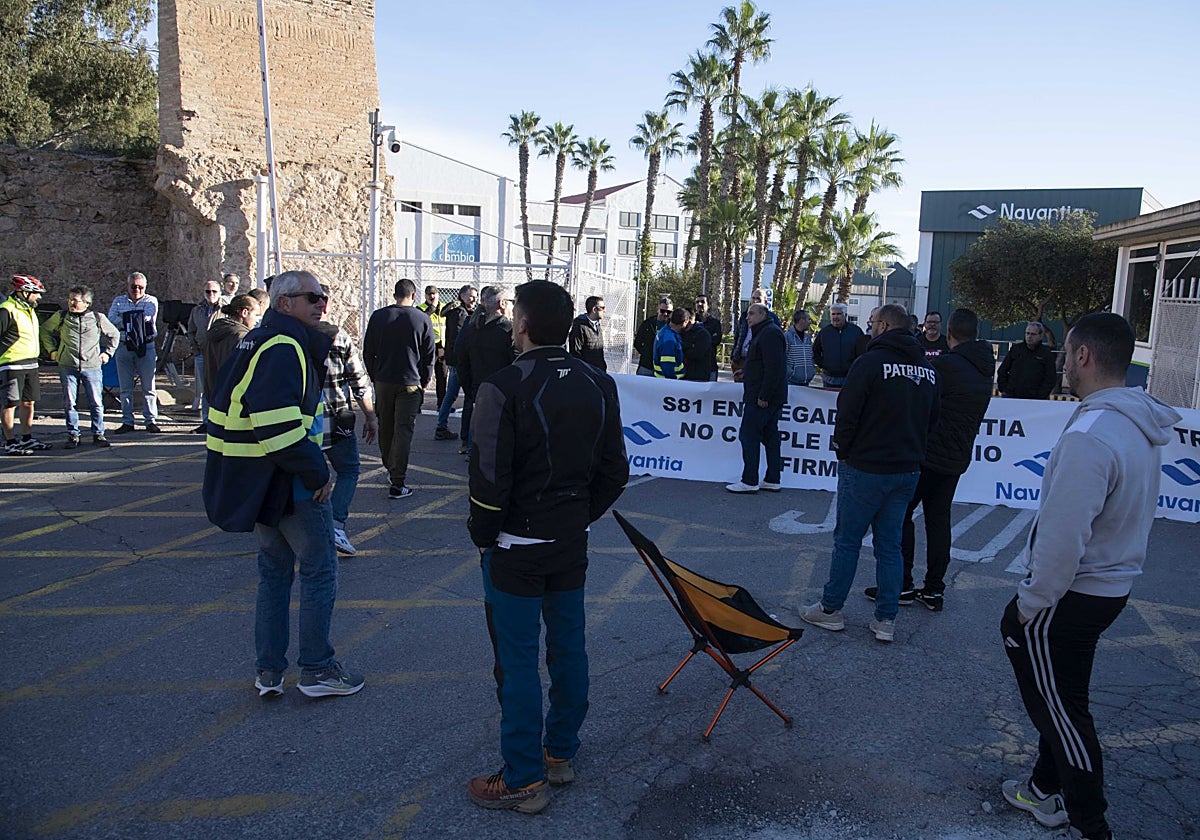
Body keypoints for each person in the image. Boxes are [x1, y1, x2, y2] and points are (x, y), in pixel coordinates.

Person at [1000, 313, 1180, 840]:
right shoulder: (1135, 421)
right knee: (1062, 694)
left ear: (1083, 356)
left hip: (1072, 594)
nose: (1061, 361)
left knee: (1061, 709)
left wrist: (1028, 605)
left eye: (1067, 352)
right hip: (1108, 587)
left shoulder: (1092, 433)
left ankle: (1088, 823)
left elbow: (1063, 538)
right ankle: (1041, 788)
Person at [466, 279, 627, 814]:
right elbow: (615, 473)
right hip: (568, 539)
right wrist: (578, 517)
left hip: (517, 544)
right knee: (568, 649)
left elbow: (489, 481)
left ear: (523, 325)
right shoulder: (598, 382)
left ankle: (522, 779)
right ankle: (559, 754)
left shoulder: (503, 385)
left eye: (515, 317)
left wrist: (485, 539)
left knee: (515, 663)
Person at [203, 269, 364, 699]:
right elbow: (276, 424)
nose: (322, 304)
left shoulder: (258, 339)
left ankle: (269, 672)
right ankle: (316, 670)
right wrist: (318, 473)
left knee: (273, 574)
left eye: (324, 297)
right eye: (312, 297)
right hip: (287, 481)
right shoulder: (283, 346)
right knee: (319, 571)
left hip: (260, 479)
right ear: (284, 303)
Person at [799, 304, 938, 643]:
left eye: (873, 322)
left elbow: (847, 412)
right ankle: (886, 619)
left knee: (847, 541)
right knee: (889, 545)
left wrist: (843, 452)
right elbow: (933, 418)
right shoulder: (928, 369)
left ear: (885, 325)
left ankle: (831, 609)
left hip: (865, 466)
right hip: (907, 468)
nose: (869, 327)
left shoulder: (870, 363)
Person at [863, 308, 992, 611]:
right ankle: (934, 588)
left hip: (928, 453)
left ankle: (902, 583)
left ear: (949, 333)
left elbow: (921, 401)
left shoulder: (946, 366)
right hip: (957, 455)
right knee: (939, 521)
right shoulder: (986, 370)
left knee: (901, 514)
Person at [362, 277, 435, 499]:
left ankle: (389, 466)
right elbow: (428, 355)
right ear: (413, 296)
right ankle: (398, 479)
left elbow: (368, 351)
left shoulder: (379, 316)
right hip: (410, 382)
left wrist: (376, 376)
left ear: (395, 295)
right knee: (404, 430)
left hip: (384, 381)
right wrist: (424, 381)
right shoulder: (421, 318)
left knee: (386, 426)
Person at [315, 321, 378, 556]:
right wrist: (370, 416)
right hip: (334, 419)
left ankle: (304, 527)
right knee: (349, 470)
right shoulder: (338, 338)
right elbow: (359, 381)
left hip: (300, 421)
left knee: (306, 474)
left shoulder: (290, 335)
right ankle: (336, 524)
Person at [40, 285, 120, 448]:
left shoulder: (98, 318)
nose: (71, 303)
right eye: (70, 300)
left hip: (92, 367)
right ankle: (73, 434)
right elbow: (44, 331)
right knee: (70, 402)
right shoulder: (61, 316)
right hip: (67, 366)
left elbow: (114, 334)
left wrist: (108, 354)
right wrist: (52, 351)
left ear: (86, 303)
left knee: (96, 403)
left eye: (76, 301)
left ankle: (98, 434)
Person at [726, 303, 787, 494]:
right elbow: (761, 364)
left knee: (749, 435)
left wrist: (764, 395)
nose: (748, 317)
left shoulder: (770, 333)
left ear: (763, 314)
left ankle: (750, 480)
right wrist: (746, 373)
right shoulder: (763, 333)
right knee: (770, 436)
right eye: (747, 314)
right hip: (763, 394)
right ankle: (772, 478)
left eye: (752, 313)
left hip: (762, 398)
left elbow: (774, 368)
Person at [457, 285, 515, 456]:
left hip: (479, 391)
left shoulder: (473, 328)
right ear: (502, 303)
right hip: (502, 397)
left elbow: (461, 360)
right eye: (511, 302)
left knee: (479, 440)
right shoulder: (507, 330)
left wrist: (470, 390)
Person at [1, 275, 53, 454]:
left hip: (31, 362)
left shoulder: (29, 309)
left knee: (28, 402)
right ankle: (9, 441)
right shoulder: (7, 309)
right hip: (11, 364)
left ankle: (26, 438)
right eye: (36, 293)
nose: (39, 297)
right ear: (24, 292)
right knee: (9, 404)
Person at [107, 271, 161, 434]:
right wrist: (133, 320)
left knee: (149, 386)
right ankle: (127, 421)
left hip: (146, 346)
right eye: (133, 286)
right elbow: (111, 320)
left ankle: (150, 420)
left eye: (140, 287)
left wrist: (126, 319)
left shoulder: (151, 301)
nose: (137, 290)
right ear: (127, 286)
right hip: (124, 346)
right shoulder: (118, 301)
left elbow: (148, 320)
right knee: (125, 387)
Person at [434, 285, 477, 442]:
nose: (474, 299)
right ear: (462, 296)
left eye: (475, 296)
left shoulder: (460, 312)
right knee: (453, 394)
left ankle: (442, 425)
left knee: (451, 394)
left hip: (455, 359)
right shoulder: (460, 314)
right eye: (471, 296)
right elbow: (460, 338)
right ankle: (442, 426)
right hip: (459, 361)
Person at [201, 295, 259, 397]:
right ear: (244, 313)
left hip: (215, 396)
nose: (257, 320)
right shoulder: (242, 338)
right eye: (256, 315)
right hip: (233, 400)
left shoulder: (215, 331)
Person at [188, 280, 223, 432]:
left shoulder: (225, 310)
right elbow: (191, 331)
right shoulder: (197, 311)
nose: (211, 295)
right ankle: (206, 420)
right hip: (202, 354)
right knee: (205, 389)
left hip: (219, 355)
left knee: (220, 387)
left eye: (214, 291)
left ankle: (220, 420)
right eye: (208, 292)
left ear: (219, 292)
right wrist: (195, 350)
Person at [997, 321, 1057, 399]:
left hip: (1035, 398)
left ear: (1040, 336)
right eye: (1027, 333)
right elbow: (1002, 370)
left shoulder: (1046, 354)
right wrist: (1004, 389)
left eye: (1033, 334)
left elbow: (1051, 377)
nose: (1029, 336)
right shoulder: (1016, 350)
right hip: (1011, 396)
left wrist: (1041, 395)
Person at [813, 302, 864, 388]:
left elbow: (862, 353)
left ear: (845, 315)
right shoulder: (824, 332)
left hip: (849, 378)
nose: (835, 317)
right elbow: (815, 351)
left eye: (839, 314)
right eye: (833, 314)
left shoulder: (856, 331)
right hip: (829, 378)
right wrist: (823, 365)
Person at [731, 288, 778, 372]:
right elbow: (737, 337)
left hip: (758, 363)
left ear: (765, 302)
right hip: (740, 360)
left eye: (758, 299)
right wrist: (733, 357)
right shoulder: (744, 316)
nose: (755, 301)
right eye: (753, 298)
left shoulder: (772, 319)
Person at [417, 285, 448, 407]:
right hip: (428, 346)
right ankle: (418, 404)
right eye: (429, 294)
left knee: (442, 376)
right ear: (425, 295)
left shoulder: (444, 307)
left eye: (434, 294)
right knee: (424, 375)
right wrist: (431, 308)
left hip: (442, 346)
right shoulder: (421, 309)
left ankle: (442, 404)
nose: (432, 296)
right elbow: (422, 319)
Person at [633, 297, 672, 376]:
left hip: (665, 368)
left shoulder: (673, 326)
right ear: (657, 309)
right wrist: (647, 354)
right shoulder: (647, 323)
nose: (665, 314)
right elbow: (637, 342)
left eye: (668, 312)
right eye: (662, 311)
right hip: (647, 366)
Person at [567, 295, 606, 370]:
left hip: (598, 372)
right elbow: (576, 353)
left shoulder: (598, 326)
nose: (604, 311)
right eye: (602, 308)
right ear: (594, 309)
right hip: (586, 373)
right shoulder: (580, 326)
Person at [679, 308, 714, 382]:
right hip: (684, 375)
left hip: (698, 376)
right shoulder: (682, 331)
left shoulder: (702, 334)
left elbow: (697, 354)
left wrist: (682, 350)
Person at [694, 295, 723, 380]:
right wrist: (709, 336)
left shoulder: (715, 323)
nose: (699, 304)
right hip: (694, 368)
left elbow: (717, 340)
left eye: (702, 302)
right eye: (697, 302)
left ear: (708, 305)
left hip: (710, 367)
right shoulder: (691, 322)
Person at [653, 309, 688, 379]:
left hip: (662, 379)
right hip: (669, 382)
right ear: (683, 323)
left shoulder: (664, 331)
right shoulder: (669, 340)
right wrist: (673, 380)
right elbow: (667, 365)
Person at [784, 309, 815, 386]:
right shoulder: (787, 337)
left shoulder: (807, 337)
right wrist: (790, 373)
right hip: (791, 382)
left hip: (806, 382)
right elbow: (782, 357)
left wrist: (811, 371)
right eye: (808, 319)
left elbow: (811, 356)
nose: (810, 322)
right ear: (802, 320)